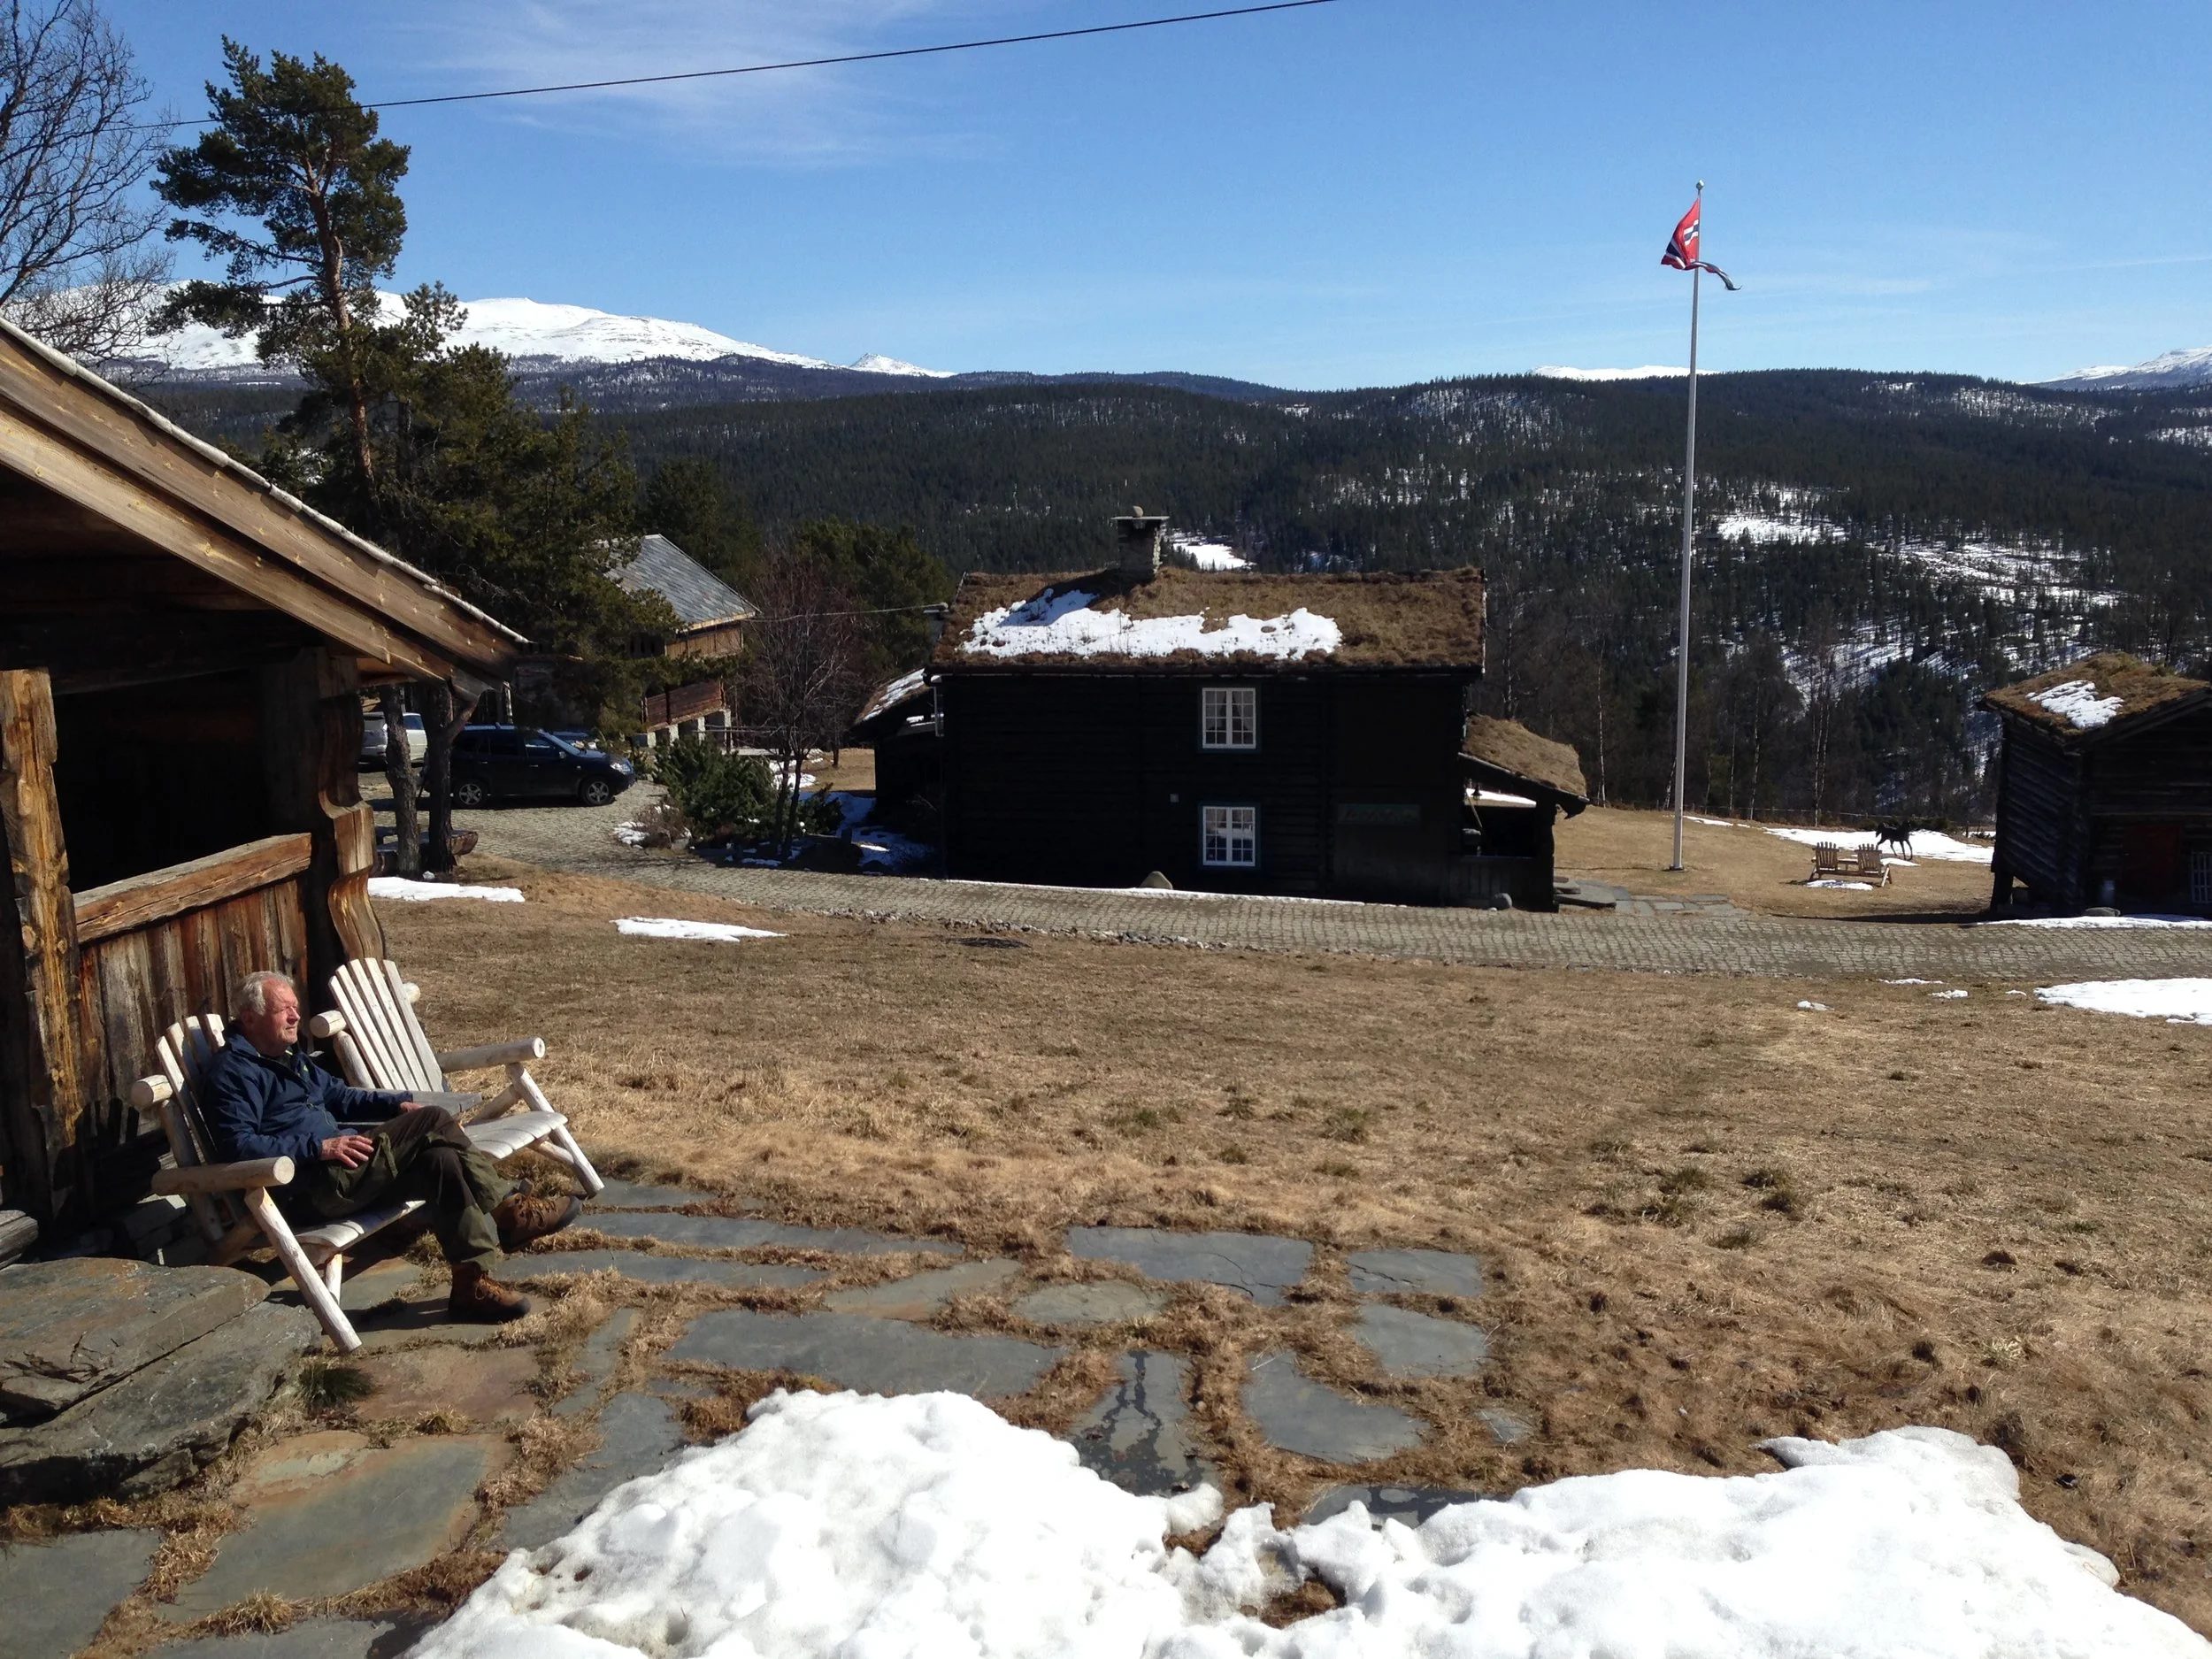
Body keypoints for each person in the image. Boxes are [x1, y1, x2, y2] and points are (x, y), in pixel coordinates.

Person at [200, 969, 580, 1322]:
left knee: (441, 1160)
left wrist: (395, 1104)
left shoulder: (287, 1058)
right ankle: (511, 1212)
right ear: (250, 1018)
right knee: (432, 1120)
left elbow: (339, 1095)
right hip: (309, 1187)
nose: (296, 1017)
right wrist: (318, 1148)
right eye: (284, 1011)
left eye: (296, 1009)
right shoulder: (233, 1072)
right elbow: (239, 1146)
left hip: (348, 1171)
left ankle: (471, 1286)